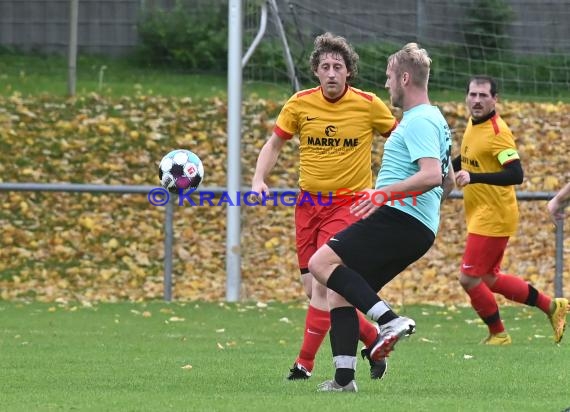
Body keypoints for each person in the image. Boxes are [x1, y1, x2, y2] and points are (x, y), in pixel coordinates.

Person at [251, 32, 398, 381]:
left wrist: (392, 187)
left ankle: (304, 365)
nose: (332, 73)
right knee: (313, 290)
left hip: (348, 205)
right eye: (325, 66)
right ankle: (375, 338)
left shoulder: (368, 104)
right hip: (307, 205)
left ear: (349, 72)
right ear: (316, 71)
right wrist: (258, 179)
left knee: (323, 285)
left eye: (339, 67)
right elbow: (274, 144)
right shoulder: (300, 103)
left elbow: (400, 139)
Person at [308, 42, 455, 392]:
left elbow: (433, 175)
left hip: (398, 218)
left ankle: (389, 322)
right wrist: (423, 208)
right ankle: (344, 380)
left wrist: (383, 193)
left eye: (390, 78)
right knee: (337, 290)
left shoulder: (419, 121)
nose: (387, 84)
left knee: (320, 263)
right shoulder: (436, 120)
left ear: (404, 78)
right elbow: (448, 181)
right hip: (414, 224)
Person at [452, 75, 568, 346]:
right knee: (490, 278)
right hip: (482, 213)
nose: (477, 101)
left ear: (495, 100)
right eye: (473, 95)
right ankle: (552, 307)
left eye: (483, 96)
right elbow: (469, 158)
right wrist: (445, 167)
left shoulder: (497, 132)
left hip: (493, 216)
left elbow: (516, 174)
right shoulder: (473, 123)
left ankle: (499, 334)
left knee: (468, 278)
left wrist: (474, 177)